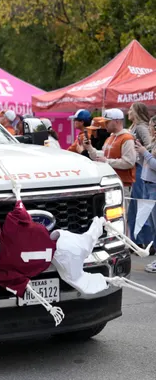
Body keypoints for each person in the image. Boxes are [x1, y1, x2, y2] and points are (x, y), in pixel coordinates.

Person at [84, 108, 136, 197]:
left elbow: (129, 162)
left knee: (122, 210)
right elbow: (102, 156)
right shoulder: (110, 138)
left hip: (122, 184)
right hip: (110, 182)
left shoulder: (127, 138)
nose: (104, 124)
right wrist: (90, 148)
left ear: (117, 121)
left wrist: (107, 161)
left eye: (107, 121)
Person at [127, 102, 153, 241]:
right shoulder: (134, 126)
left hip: (141, 168)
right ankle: (138, 239)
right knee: (135, 204)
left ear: (136, 111)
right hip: (136, 168)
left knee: (140, 203)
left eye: (131, 109)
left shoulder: (141, 127)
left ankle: (144, 240)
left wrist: (141, 153)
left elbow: (150, 145)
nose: (128, 112)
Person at [135, 115, 156, 271]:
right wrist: (141, 153)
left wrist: (145, 152)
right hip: (148, 186)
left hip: (154, 187)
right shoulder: (153, 143)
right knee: (153, 225)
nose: (149, 129)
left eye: (151, 126)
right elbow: (147, 164)